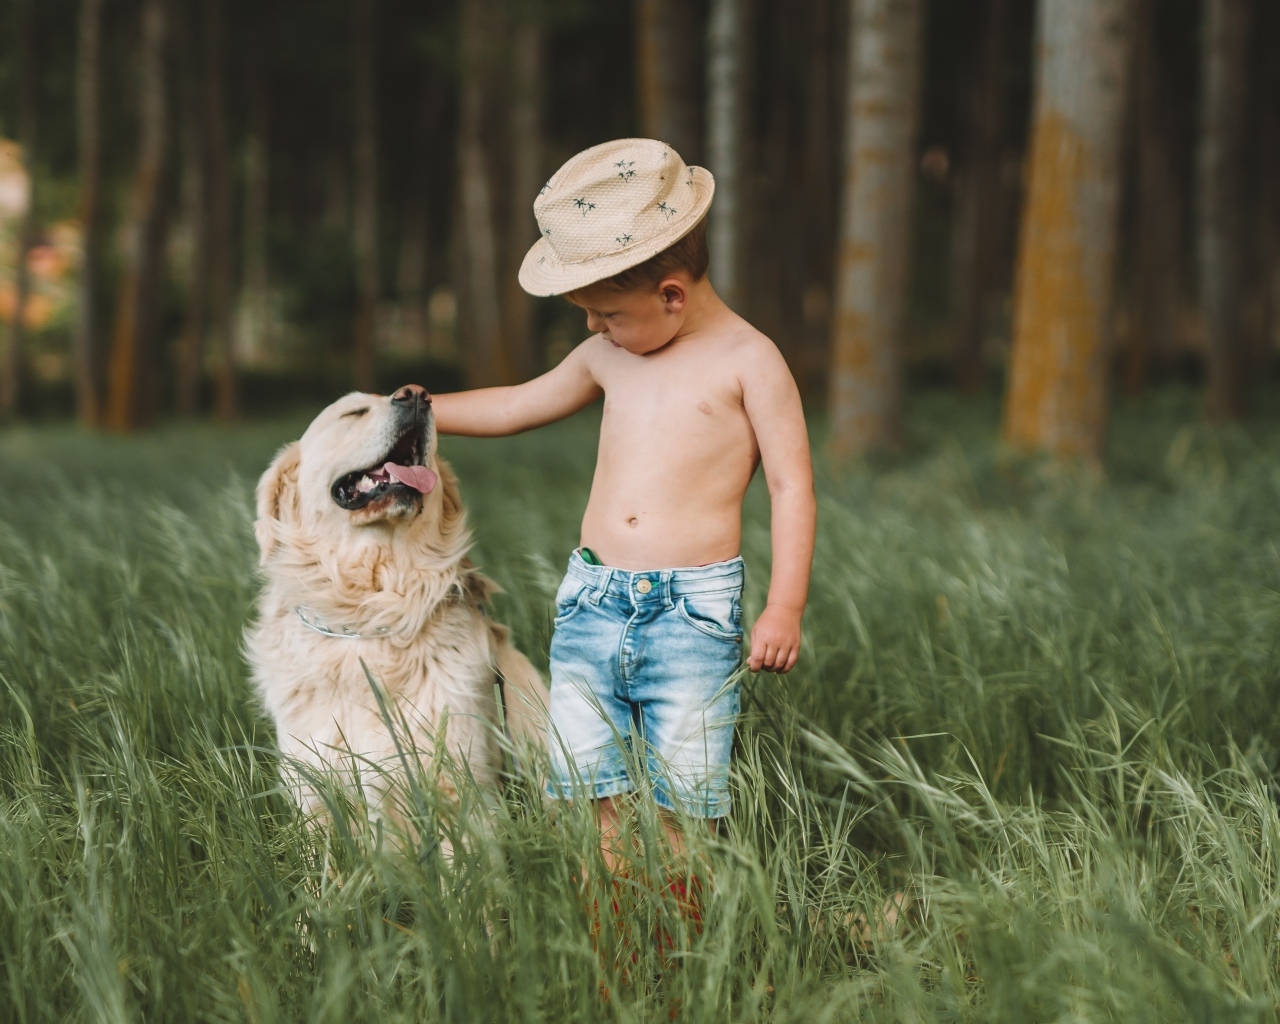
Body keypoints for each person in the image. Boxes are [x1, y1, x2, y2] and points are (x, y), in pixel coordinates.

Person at [432, 138, 816, 869]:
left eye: (605, 312)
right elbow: (517, 404)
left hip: (691, 617)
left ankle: (677, 948)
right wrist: (425, 411)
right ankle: (611, 942)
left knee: (683, 795)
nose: (592, 328)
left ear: (671, 294)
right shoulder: (610, 355)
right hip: (593, 603)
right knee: (589, 786)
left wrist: (785, 605)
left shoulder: (750, 362)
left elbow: (791, 485)